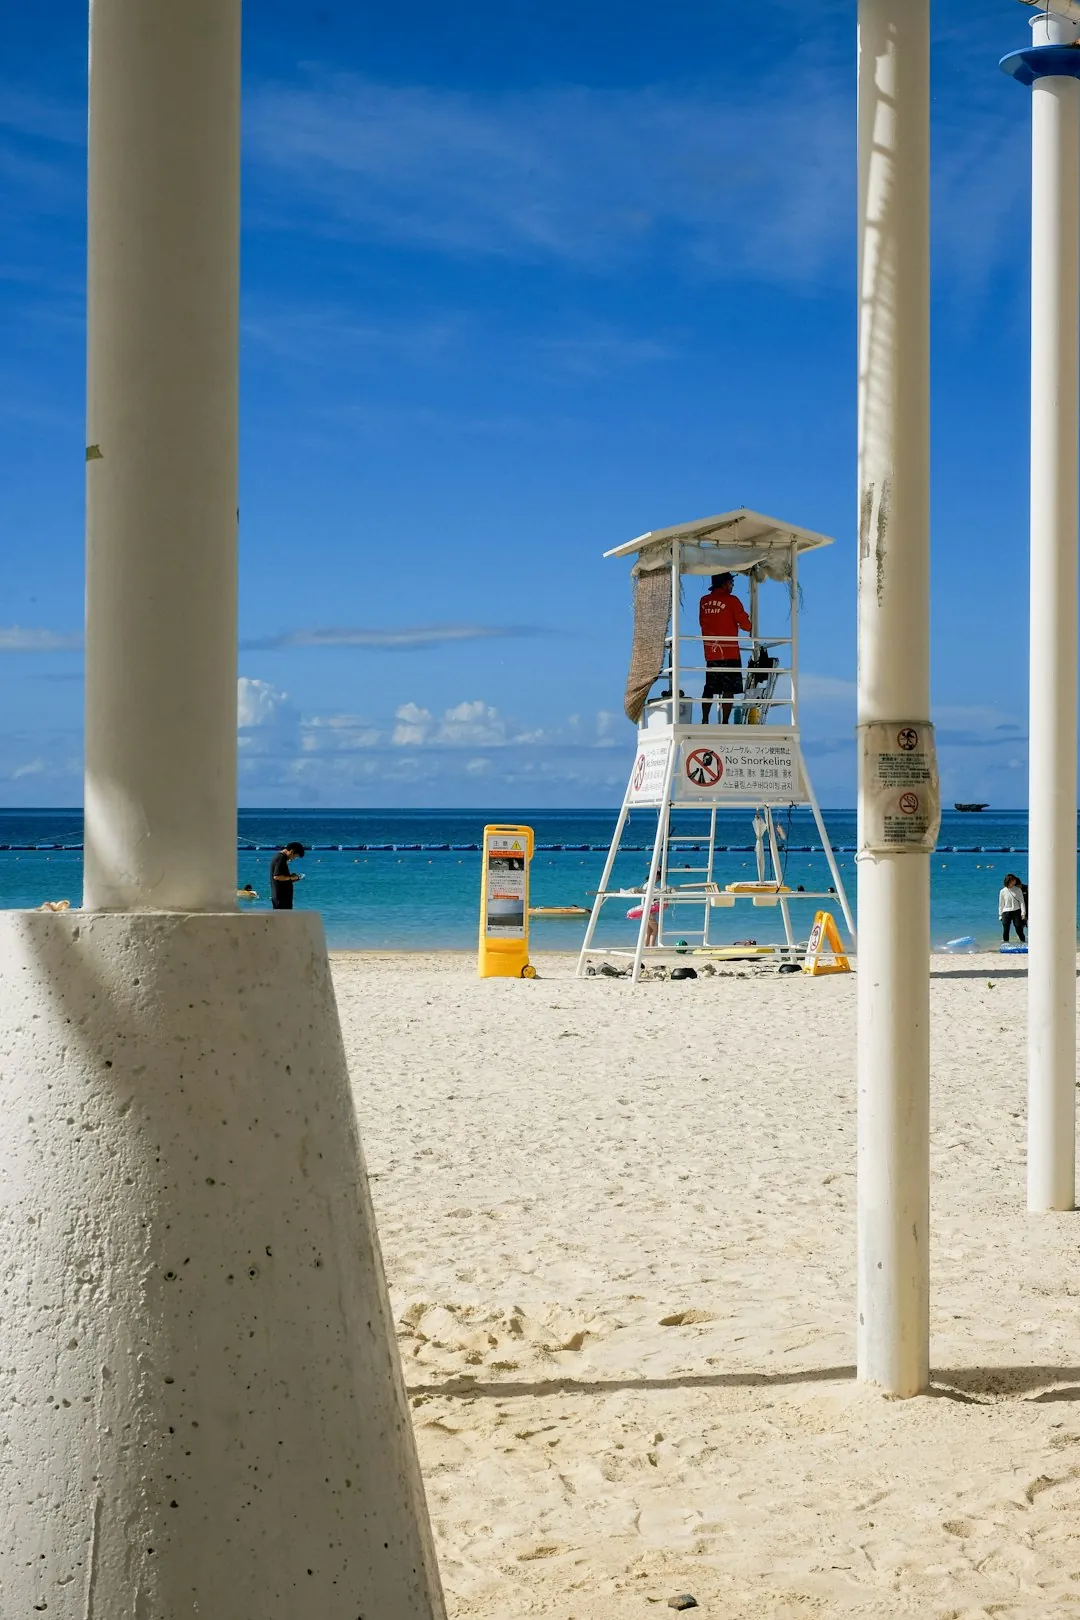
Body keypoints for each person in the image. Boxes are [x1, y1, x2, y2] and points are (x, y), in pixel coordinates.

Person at [699, 571, 752, 723]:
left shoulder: (704, 601)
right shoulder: (732, 601)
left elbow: (702, 622)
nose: (732, 586)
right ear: (724, 583)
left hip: (711, 652)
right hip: (729, 652)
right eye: (731, 583)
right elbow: (746, 625)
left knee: (709, 687)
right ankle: (724, 721)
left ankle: (704, 719)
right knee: (728, 689)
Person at [270, 842, 305, 910]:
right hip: (281, 898)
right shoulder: (281, 858)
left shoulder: (281, 858)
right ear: (291, 851)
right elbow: (277, 876)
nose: (293, 858)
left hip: (282, 898)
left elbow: (281, 877)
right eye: (295, 856)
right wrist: (291, 877)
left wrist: (293, 878)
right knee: (282, 919)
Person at [999, 872, 1026, 944]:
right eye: (1013, 880)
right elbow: (1001, 904)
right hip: (1006, 912)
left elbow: (1021, 901)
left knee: (1018, 928)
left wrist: (1023, 913)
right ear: (1008, 881)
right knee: (1006, 929)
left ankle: (1023, 942)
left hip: (1016, 911)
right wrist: (1000, 915)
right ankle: (1006, 943)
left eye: (1014, 880)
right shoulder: (1002, 891)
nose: (1014, 882)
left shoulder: (1017, 889)